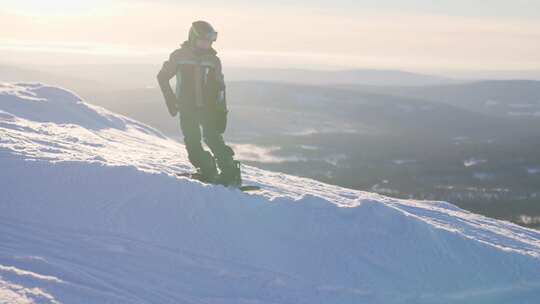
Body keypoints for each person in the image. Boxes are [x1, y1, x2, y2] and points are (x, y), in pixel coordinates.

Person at [157, 20, 241, 186]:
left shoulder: (213, 60)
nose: (206, 44)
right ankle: (207, 169)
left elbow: (220, 88)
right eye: (203, 40)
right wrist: (170, 98)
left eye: (209, 41)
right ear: (193, 37)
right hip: (187, 107)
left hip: (209, 109)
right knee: (192, 143)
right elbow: (162, 77)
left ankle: (231, 174)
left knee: (213, 139)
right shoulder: (179, 56)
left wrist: (222, 112)